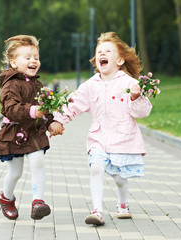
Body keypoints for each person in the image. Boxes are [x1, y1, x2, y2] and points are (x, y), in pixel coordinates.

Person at [53, 32, 152, 225]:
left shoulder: (130, 83)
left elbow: (142, 112)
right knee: (96, 168)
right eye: (99, 52)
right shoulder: (90, 85)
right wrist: (57, 120)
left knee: (120, 178)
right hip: (99, 138)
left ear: (120, 59)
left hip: (123, 139)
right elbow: (73, 104)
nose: (102, 54)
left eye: (107, 51)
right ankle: (97, 211)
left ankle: (122, 204)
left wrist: (136, 96)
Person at [0, 35, 64, 221]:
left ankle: (38, 202)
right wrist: (34, 111)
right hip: (14, 133)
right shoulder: (10, 84)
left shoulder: (37, 84)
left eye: (36, 57)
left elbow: (45, 108)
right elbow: (11, 109)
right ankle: (6, 198)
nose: (33, 60)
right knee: (15, 172)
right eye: (28, 57)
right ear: (14, 62)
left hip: (34, 132)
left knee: (38, 162)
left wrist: (51, 122)